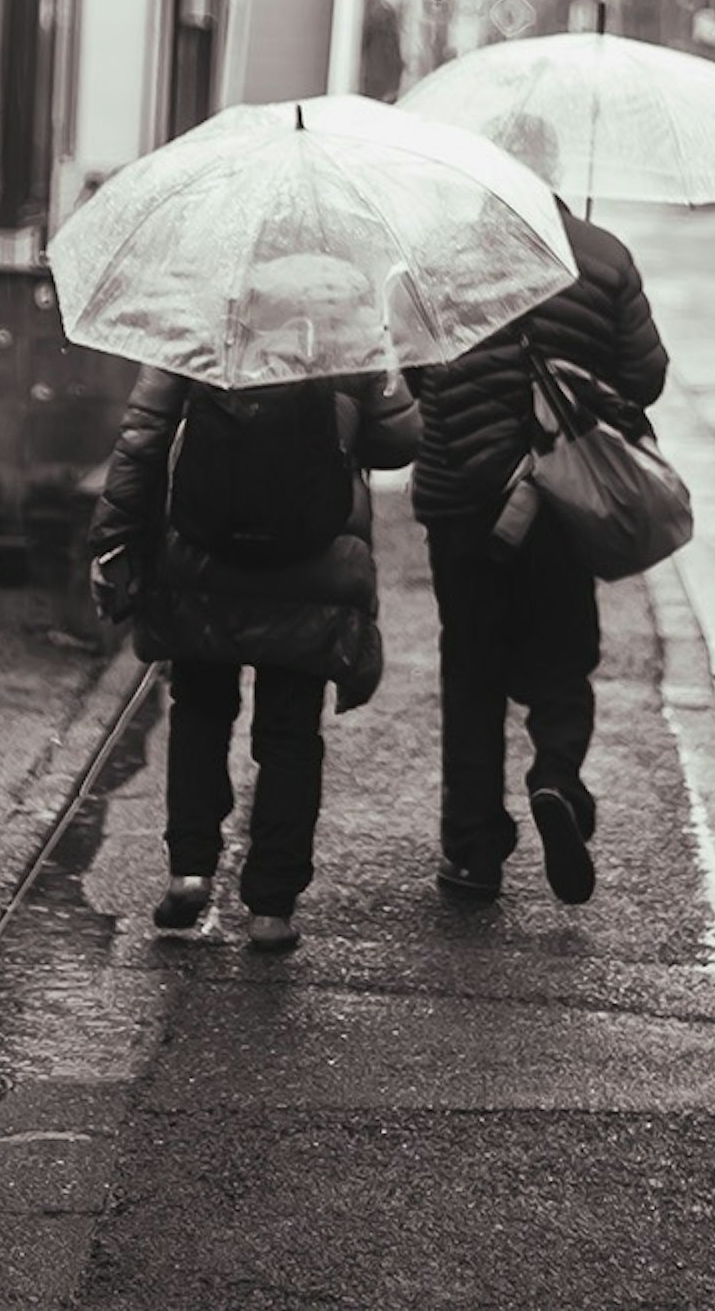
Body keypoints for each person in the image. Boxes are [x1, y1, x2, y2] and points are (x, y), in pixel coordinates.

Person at [91, 258, 419, 955]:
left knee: (201, 710)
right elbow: (401, 439)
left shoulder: (207, 298)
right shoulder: (347, 307)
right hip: (312, 564)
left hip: (203, 557)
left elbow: (145, 435)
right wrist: (355, 403)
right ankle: (271, 907)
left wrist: (114, 539)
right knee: (291, 735)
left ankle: (189, 870)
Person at [410, 115, 668, 907]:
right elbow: (647, 377)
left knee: (473, 670)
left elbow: (419, 378)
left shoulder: (443, 259)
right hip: (562, 500)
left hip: (463, 502)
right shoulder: (603, 255)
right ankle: (557, 778)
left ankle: (473, 851)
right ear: (553, 165)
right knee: (563, 657)